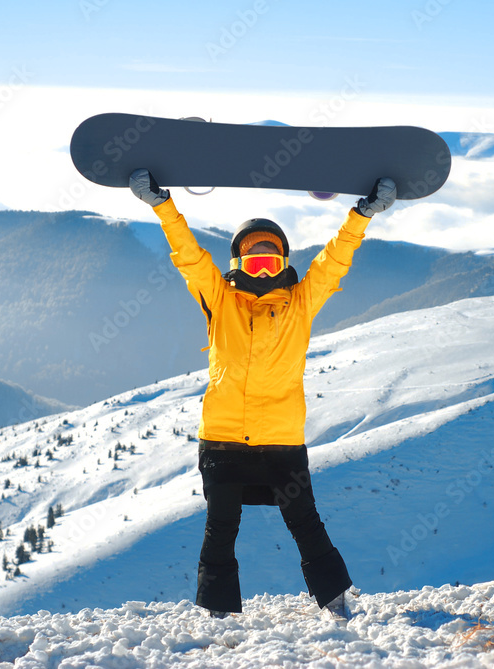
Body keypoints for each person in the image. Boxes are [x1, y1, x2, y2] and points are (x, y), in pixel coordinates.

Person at [129, 168, 397, 618]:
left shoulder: (301, 302)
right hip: (223, 437)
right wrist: (162, 205)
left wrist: (361, 215)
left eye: (271, 261)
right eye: (254, 261)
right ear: (237, 265)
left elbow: (334, 262)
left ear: (285, 263)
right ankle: (217, 613)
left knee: (305, 524)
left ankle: (338, 602)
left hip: (280, 440)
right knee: (221, 527)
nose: (264, 270)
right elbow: (190, 257)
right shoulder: (220, 299)